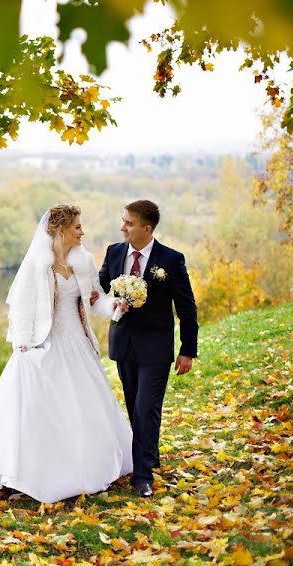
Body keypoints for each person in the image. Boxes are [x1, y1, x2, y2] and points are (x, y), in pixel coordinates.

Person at [0, 204, 133, 503]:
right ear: (61, 230)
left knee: (84, 408)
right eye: (78, 227)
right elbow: (24, 308)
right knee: (33, 410)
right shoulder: (37, 265)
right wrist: (23, 345)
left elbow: (95, 300)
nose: (83, 232)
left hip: (78, 343)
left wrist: (114, 307)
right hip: (45, 343)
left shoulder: (83, 261)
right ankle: (15, 475)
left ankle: (87, 468)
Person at [99, 200, 198, 498]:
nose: (122, 227)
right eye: (123, 221)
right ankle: (149, 454)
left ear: (147, 228)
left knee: (146, 409)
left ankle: (142, 477)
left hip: (156, 347)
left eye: (128, 223)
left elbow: (186, 307)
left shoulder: (171, 259)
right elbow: (99, 287)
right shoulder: (114, 252)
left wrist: (187, 349)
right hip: (124, 344)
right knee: (134, 406)